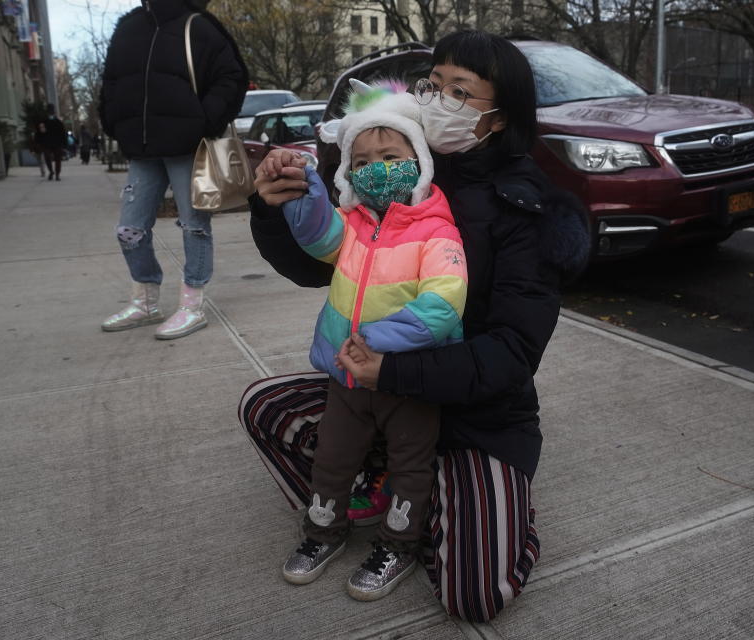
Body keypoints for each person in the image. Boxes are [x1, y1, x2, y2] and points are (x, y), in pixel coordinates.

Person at [239, 31, 590, 621]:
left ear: (500, 117)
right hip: (376, 396)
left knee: (475, 594)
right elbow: (319, 260)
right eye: (434, 83)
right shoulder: (395, 169)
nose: (437, 98)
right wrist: (275, 205)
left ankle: (463, 502)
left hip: (477, 416)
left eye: (461, 90)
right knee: (266, 407)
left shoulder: (525, 206)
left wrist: (395, 368)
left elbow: (511, 353)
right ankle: (388, 483)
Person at [277, 81, 468, 601]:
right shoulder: (353, 225)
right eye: (361, 160)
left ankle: (398, 544)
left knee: (411, 464)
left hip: (409, 378)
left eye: (391, 155)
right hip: (347, 375)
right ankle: (323, 532)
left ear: (419, 159)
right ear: (348, 172)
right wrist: (307, 187)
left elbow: (443, 306)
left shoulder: (437, 234)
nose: (377, 167)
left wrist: (375, 342)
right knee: (333, 459)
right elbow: (317, 236)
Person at [98, 0, 248, 338]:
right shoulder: (129, 28)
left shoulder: (198, 25)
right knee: (129, 228)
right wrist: (114, 122)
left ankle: (192, 304)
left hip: (187, 146)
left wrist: (203, 121)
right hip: (142, 147)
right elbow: (110, 80)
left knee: (194, 225)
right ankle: (146, 300)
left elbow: (232, 76)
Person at [38, 104, 67, 181]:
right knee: (47, 157)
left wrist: (64, 144)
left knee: (58, 159)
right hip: (47, 143)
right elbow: (40, 133)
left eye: (52, 111)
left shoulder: (58, 122)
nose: (51, 113)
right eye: (49, 111)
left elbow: (63, 133)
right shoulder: (43, 122)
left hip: (57, 143)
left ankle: (57, 174)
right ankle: (51, 171)